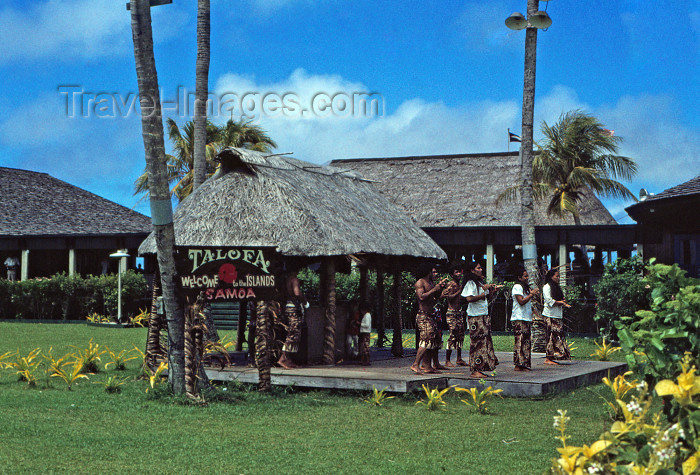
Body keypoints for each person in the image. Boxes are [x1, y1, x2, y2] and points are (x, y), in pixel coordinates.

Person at [461, 261, 501, 378]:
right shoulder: (470, 283)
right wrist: (484, 293)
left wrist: (492, 291)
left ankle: (481, 366)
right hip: (475, 316)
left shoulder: (479, 282)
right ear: (472, 270)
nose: (481, 270)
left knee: (484, 342)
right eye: (478, 268)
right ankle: (475, 369)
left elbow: (487, 298)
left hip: (483, 314)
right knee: (477, 342)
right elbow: (469, 298)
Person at [410, 265, 448, 375]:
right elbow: (421, 297)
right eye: (433, 272)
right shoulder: (420, 283)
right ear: (428, 272)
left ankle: (427, 365)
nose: (435, 274)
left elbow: (433, 300)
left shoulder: (431, 283)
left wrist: (441, 291)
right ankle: (415, 364)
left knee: (433, 340)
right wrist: (435, 289)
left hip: (431, 315)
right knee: (426, 339)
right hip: (423, 316)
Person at [277, 266, 308, 369]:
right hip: (293, 308)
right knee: (294, 333)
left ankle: (288, 359)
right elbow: (297, 293)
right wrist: (305, 301)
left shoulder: (285, 281)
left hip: (287, 308)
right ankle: (282, 358)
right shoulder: (294, 280)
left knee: (292, 332)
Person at [511, 267, 539, 371]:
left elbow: (528, 303)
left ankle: (524, 363)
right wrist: (531, 294)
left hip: (526, 317)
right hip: (519, 317)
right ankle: (518, 364)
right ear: (519, 277)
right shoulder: (517, 286)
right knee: (520, 341)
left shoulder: (525, 287)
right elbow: (521, 301)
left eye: (527, 276)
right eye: (525, 276)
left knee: (526, 342)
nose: (527, 278)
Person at [542, 268, 571, 365]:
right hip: (549, 315)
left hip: (557, 315)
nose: (558, 278)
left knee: (557, 336)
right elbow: (549, 301)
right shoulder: (546, 287)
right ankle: (548, 358)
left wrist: (563, 302)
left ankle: (555, 355)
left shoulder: (556, 287)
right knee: (551, 336)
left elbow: (558, 300)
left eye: (559, 276)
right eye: (556, 276)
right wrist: (561, 303)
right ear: (551, 277)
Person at [443, 263, 467, 367]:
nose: (459, 274)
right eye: (456, 272)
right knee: (453, 335)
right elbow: (449, 298)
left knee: (460, 335)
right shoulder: (451, 284)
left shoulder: (459, 284)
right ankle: (447, 360)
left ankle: (459, 358)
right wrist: (459, 292)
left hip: (459, 312)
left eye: (459, 272)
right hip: (451, 313)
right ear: (452, 274)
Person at [358, 300, 372, 366]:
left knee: (366, 347)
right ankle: (363, 360)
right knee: (364, 347)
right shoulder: (366, 315)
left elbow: (366, 324)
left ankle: (367, 360)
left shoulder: (367, 315)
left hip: (366, 332)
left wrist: (360, 324)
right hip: (364, 332)